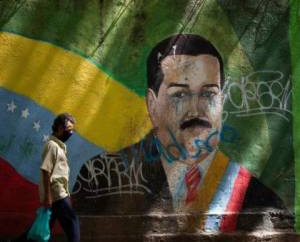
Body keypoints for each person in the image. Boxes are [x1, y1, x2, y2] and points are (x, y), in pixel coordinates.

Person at [73, 34, 291, 232]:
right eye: (179, 95)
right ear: (152, 104)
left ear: (222, 103)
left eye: (208, 94)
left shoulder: (259, 198)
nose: (195, 110)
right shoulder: (100, 179)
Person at [14, 113, 80, 242]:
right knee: (73, 222)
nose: (71, 133)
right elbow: (46, 171)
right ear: (60, 128)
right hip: (56, 194)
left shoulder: (59, 147)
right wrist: (48, 197)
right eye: (69, 129)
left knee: (42, 226)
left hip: (58, 193)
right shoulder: (52, 146)